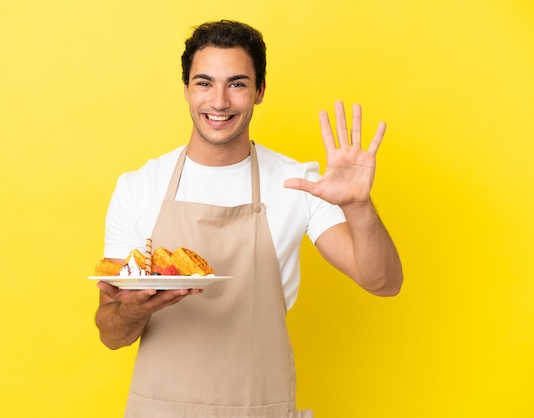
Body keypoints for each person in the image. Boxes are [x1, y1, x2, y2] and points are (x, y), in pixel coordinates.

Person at [94, 19, 403, 418]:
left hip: (261, 409)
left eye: (237, 84)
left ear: (259, 92)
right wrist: (135, 307)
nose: (219, 101)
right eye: (204, 83)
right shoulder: (139, 187)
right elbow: (110, 334)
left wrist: (358, 206)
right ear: (186, 89)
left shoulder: (298, 183)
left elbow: (384, 282)